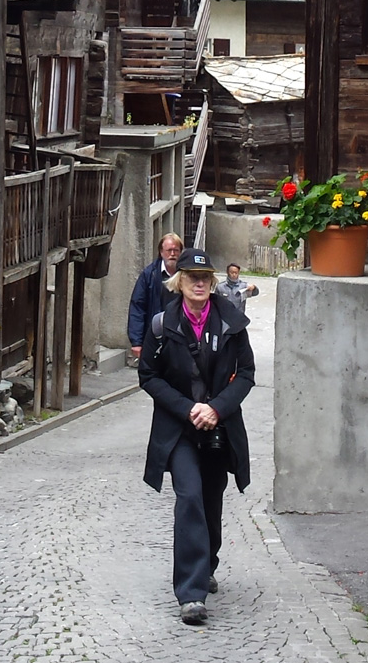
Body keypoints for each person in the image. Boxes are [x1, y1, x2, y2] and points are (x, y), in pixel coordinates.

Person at [138, 248, 255, 626]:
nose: (199, 283)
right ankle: (191, 593)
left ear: (213, 282)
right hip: (179, 429)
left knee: (210, 499)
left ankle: (207, 565)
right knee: (189, 496)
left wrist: (216, 409)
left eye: (205, 277)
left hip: (219, 426)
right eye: (192, 277)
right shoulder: (162, 324)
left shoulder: (231, 322)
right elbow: (148, 376)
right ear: (180, 282)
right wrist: (188, 408)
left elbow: (247, 373)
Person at [127, 233, 184, 361]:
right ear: (161, 252)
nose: (172, 254)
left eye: (176, 250)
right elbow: (138, 306)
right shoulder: (149, 274)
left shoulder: (186, 275)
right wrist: (137, 341)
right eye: (169, 250)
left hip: (181, 336)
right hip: (156, 335)